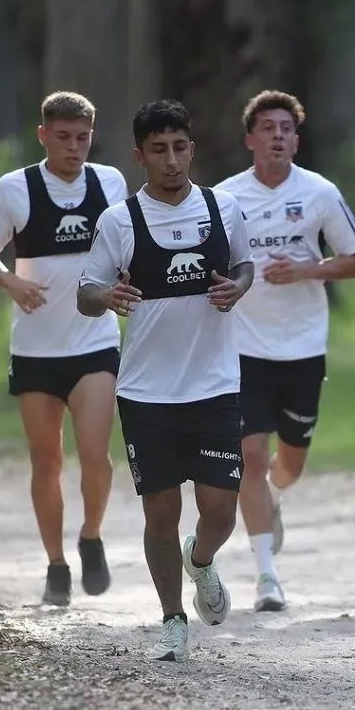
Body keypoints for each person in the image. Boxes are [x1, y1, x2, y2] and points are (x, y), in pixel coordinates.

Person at [77, 99, 254, 661]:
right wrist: (107, 295)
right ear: (139, 156)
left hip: (215, 382)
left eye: (180, 147)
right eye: (159, 150)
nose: (172, 160)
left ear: (192, 149)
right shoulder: (119, 221)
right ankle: (172, 618)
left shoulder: (224, 209)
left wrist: (240, 286)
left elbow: (246, 264)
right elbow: (85, 292)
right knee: (160, 511)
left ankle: (199, 560)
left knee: (221, 508)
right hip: (146, 391)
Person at [0, 91, 126, 607]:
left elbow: (125, 246)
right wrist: (12, 284)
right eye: (63, 138)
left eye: (82, 138)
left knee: (95, 456)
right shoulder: (15, 189)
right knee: (47, 464)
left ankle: (91, 537)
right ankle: (55, 564)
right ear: (43, 136)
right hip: (36, 350)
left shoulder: (109, 183)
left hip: (95, 341)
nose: (74, 148)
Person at [215, 90, 355, 612]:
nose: (278, 135)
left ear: (296, 141)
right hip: (242, 346)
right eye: (268, 127)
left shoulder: (320, 192)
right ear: (250, 139)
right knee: (250, 456)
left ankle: (273, 500)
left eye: (286, 128)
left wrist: (307, 269)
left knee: (290, 463)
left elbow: (354, 260)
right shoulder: (225, 198)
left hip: (302, 345)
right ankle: (266, 576)